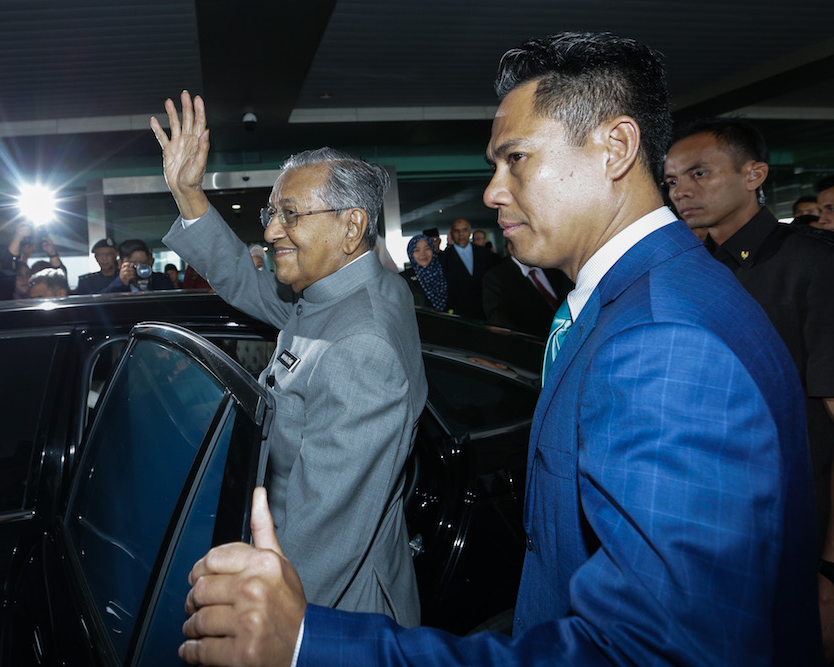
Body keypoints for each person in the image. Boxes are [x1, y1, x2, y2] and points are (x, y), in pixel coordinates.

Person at [177, 32, 820, 666]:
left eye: (515, 158)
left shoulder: (666, 342)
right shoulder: (650, 295)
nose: (492, 191)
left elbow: (648, 653)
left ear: (616, 147)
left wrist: (306, 642)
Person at [153, 91, 427, 625]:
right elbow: (243, 282)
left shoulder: (359, 347)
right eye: (272, 212)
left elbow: (323, 536)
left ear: (351, 227)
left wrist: (265, 631)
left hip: (330, 609)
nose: (272, 229)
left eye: (291, 215)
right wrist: (189, 195)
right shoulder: (347, 288)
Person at [664, 119, 834, 566]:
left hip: (800, 524)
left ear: (754, 175)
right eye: (672, 180)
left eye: (699, 173)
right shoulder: (696, 272)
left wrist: (832, 565)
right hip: (720, 521)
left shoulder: (813, 265)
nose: (681, 190)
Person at [481, 241, 573, 337]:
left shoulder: (551, 265)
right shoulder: (496, 277)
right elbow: (500, 321)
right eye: (529, 242)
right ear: (511, 248)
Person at [439, 217, 500, 319]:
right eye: (457, 230)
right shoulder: (443, 258)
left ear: (470, 232)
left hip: (488, 312)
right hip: (460, 315)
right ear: (451, 234)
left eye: (464, 230)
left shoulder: (486, 254)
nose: (461, 234)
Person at [99, 239, 176, 293]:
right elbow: (99, 307)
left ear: (151, 262)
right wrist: (120, 283)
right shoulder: (110, 283)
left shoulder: (162, 281)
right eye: (132, 264)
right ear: (120, 264)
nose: (139, 268)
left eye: (143, 263)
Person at [399, 234, 449, 310]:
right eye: (417, 250)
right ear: (410, 253)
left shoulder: (446, 273)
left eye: (427, 248)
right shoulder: (403, 279)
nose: (423, 254)